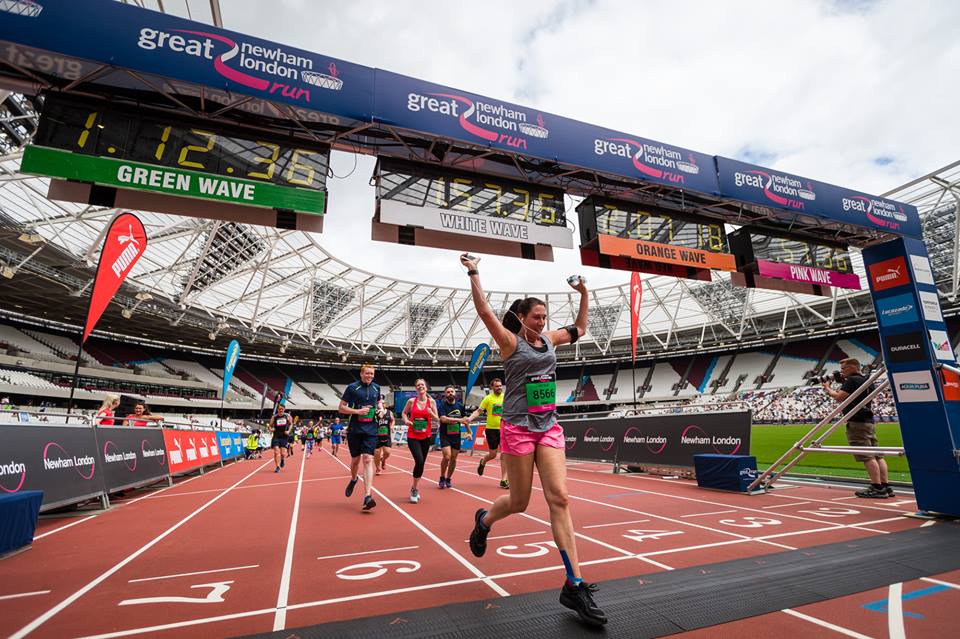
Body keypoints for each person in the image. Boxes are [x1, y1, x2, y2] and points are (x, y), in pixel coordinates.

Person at [461, 255, 606, 627]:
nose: (543, 322)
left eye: (545, 316)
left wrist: (585, 292)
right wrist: (474, 271)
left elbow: (580, 328)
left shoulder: (550, 339)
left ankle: (574, 583)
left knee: (560, 497)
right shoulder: (509, 342)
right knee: (520, 502)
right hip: (518, 427)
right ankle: (485, 521)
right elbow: (483, 310)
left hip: (548, 426)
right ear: (522, 318)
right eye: (537, 317)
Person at [822, 358, 893, 498]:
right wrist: (843, 382)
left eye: (844, 368)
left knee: (866, 455)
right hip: (868, 420)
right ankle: (886, 486)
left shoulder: (852, 380)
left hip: (857, 421)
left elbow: (839, 397)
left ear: (853, 367)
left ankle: (877, 487)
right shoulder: (866, 380)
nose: (842, 371)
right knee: (878, 455)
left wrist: (827, 388)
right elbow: (856, 394)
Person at [339, 364, 381, 511]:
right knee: (356, 460)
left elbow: (378, 403)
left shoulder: (377, 387)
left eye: (372, 374)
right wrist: (358, 411)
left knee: (368, 459)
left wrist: (380, 410)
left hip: (371, 428)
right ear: (361, 374)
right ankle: (353, 479)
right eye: (367, 373)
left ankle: (367, 496)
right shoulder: (352, 387)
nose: (370, 376)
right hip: (355, 429)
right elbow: (341, 407)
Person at [401, 378, 440, 503]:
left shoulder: (432, 402)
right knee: (419, 460)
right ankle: (414, 490)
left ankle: (414, 487)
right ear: (416, 388)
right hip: (413, 436)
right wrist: (406, 421)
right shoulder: (411, 401)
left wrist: (431, 414)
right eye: (418, 385)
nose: (420, 386)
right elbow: (403, 413)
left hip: (426, 436)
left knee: (422, 463)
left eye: (422, 384)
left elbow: (437, 419)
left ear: (426, 387)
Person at [467, 378, 508, 488]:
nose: (499, 388)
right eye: (497, 386)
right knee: (493, 454)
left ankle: (504, 480)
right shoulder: (487, 399)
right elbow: (478, 411)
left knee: (504, 453)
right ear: (492, 387)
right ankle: (483, 461)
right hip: (491, 429)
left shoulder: (506, 397)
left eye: (500, 386)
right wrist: (470, 418)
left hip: (504, 428)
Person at [437, 385, 470, 489]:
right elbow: (443, 419)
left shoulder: (460, 406)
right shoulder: (442, 405)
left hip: (456, 435)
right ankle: (442, 477)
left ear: (455, 394)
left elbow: (465, 420)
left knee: (454, 458)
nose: (450, 393)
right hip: (445, 434)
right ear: (445, 394)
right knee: (447, 456)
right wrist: (459, 420)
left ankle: (448, 478)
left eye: (452, 391)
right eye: (448, 392)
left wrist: (469, 432)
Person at [268, 404, 293, 473]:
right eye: (279, 409)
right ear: (277, 409)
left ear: (284, 409)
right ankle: (277, 466)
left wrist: (288, 431)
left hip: (284, 436)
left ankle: (282, 459)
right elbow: (269, 426)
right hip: (276, 436)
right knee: (276, 451)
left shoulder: (287, 416)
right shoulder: (274, 417)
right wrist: (271, 429)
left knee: (283, 453)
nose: (281, 410)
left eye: (282, 409)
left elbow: (291, 424)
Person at [373, 400, 395, 475]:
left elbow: (393, 420)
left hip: (386, 435)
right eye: (381, 403)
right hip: (376, 436)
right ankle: (378, 468)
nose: (383, 404)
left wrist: (392, 426)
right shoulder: (375, 412)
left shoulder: (389, 412)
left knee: (387, 453)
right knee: (376, 453)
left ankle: (383, 459)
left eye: (384, 403)